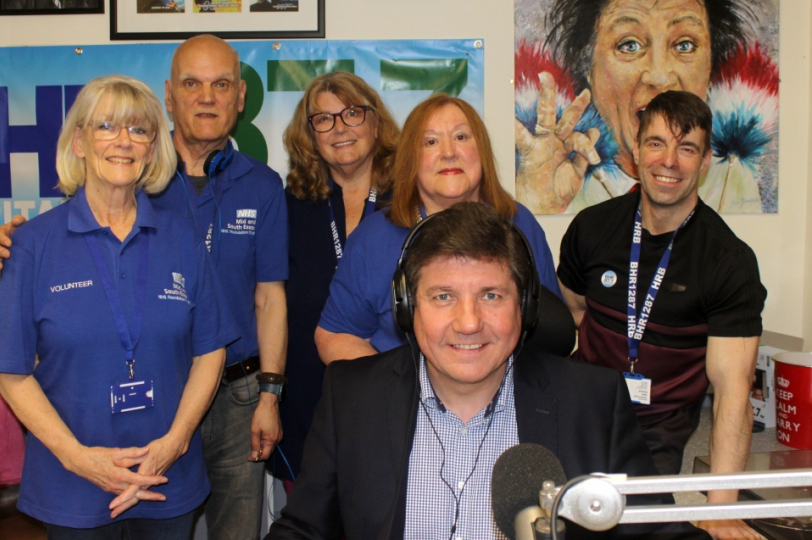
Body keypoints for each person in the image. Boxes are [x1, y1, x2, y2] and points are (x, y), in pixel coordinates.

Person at [0, 35, 289, 540]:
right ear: (79, 142)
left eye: (137, 129)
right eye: (105, 126)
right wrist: (79, 458)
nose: (123, 140)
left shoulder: (190, 233)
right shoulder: (34, 243)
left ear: (153, 147)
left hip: (178, 454)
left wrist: (176, 442)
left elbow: (223, 336)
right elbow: (12, 371)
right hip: (75, 477)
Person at [266, 202, 709, 540]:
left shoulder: (592, 402)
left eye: (492, 296)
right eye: (442, 297)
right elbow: (303, 531)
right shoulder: (352, 398)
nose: (469, 322)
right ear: (406, 308)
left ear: (526, 308)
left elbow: (657, 533)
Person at [557, 91, 767, 539]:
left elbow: (733, 391)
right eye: (656, 143)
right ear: (636, 150)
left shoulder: (728, 262)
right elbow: (573, 310)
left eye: (686, 148)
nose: (668, 161)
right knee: (542, 513)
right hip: (582, 409)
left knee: (628, 527)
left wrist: (722, 509)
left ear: (706, 160)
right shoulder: (591, 229)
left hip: (657, 429)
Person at [315, 94, 571, 364]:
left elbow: (550, 333)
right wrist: (399, 393)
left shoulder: (519, 223)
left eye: (461, 137)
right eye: (431, 142)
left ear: (481, 151)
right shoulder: (374, 238)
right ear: (412, 160)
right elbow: (335, 337)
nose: (449, 152)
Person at [515, 0, 777, 214]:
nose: (660, 76)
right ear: (588, 70)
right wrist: (536, 203)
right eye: (629, 46)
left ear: (710, 69)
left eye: (685, 45)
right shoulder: (557, 187)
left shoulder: (734, 182)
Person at [275, 71, 399, 483]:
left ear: (376, 122)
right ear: (309, 134)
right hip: (308, 399)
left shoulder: (411, 200)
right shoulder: (290, 206)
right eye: (323, 119)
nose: (339, 128)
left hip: (395, 397)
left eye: (351, 113)